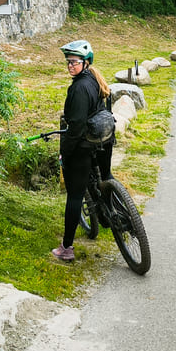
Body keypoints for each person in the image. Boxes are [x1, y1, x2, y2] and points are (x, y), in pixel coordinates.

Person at [52, 39, 113, 262]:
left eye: (74, 62)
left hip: (85, 144)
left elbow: (75, 127)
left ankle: (66, 248)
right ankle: (115, 218)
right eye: (68, 62)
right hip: (104, 140)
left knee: (75, 196)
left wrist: (64, 153)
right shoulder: (95, 80)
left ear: (86, 62)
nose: (70, 66)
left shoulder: (79, 88)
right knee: (105, 177)